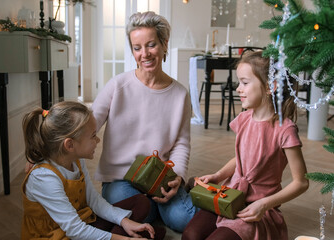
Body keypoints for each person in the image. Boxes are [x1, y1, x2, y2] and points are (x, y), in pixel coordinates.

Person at [182, 51, 309, 240]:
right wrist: (218, 176)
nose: (238, 89)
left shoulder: (285, 130)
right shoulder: (243, 119)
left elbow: (301, 182)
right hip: (230, 195)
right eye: (239, 82)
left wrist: (264, 204)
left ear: (269, 87)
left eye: (245, 82)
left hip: (257, 207)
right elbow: (241, 158)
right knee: (190, 235)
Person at [92, 11, 197, 232]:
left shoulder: (180, 94)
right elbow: (88, 124)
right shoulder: (117, 85)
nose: (144, 54)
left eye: (151, 45)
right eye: (137, 48)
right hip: (120, 178)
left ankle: (169, 200)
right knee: (140, 211)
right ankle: (156, 207)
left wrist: (177, 176)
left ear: (164, 43)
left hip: (160, 176)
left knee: (183, 220)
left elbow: (181, 143)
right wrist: (46, 152)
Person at [21, 101, 165, 240]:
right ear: (69, 145)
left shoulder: (76, 159)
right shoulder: (44, 177)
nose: (98, 140)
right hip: (59, 235)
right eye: (93, 136)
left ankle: (129, 233)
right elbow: (75, 230)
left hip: (84, 220)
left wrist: (124, 221)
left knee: (141, 201)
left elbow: (93, 200)